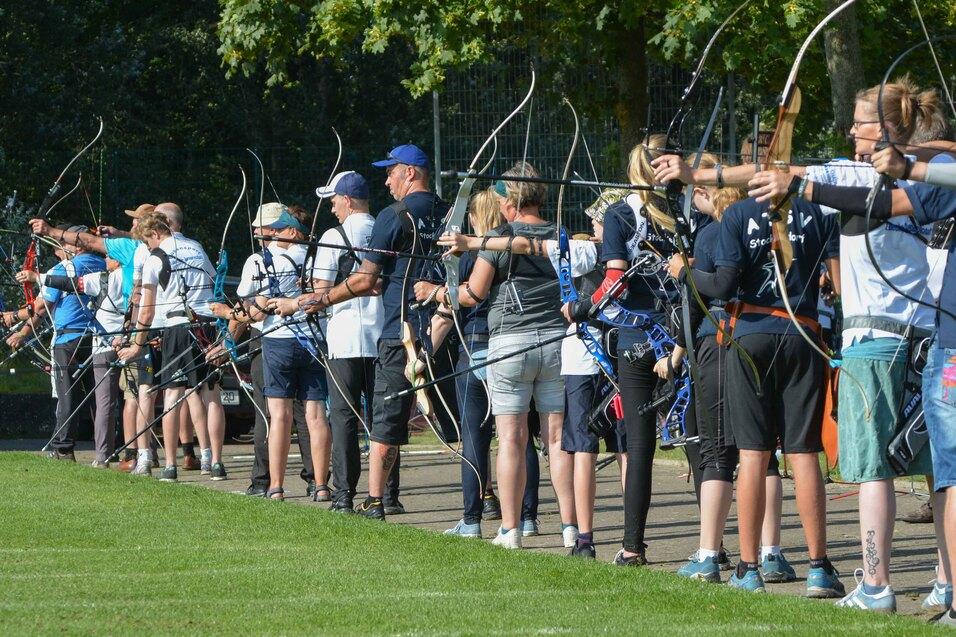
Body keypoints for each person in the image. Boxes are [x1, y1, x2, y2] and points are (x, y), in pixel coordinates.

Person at [741, 78, 952, 611]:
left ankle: (877, 584)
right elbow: (776, 174)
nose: (849, 131)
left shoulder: (898, 177)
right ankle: (946, 580)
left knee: (873, 465)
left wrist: (796, 184)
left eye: (859, 122)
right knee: (938, 468)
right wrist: (705, 173)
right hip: (928, 337)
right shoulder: (918, 179)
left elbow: (813, 181)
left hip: (876, 342)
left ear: (884, 130)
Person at [272, 143, 453, 520]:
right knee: (456, 415)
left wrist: (311, 302)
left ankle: (358, 498)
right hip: (446, 324)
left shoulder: (392, 216)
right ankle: (463, 497)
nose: (386, 180)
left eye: (391, 172)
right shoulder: (450, 212)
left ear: (409, 172)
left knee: (366, 416)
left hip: (391, 332)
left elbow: (364, 280)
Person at [664, 153, 792, 583]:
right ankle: (771, 550)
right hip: (771, 334)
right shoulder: (769, 225)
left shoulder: (714, 232)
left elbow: (710, 291)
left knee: (717, 448)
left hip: (721, 338)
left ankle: (708, 552)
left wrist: (684, 272)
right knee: (763, 451)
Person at [438, 161, 566, 549]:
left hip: (510, 343)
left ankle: (510, 530)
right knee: (556, 439)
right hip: (557, 343)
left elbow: (473, 294)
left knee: (511, 437)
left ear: (511, 200)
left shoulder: (498, 236)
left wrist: (439, 293)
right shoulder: (559, 233)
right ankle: (571, 528)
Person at [209, 202, 315, 497]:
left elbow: (249, 312)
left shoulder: (261, 261)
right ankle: (316, 481)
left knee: (269, 415)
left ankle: (263, 481)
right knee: (309, 413)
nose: (257, 231)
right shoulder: (312, 256)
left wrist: (226, 321)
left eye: (266, 227)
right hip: (309, 341)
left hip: (271, 341)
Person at [117, 208, 226, 482]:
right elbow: (215, 283)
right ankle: (215, 462)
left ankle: (169, 466)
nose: (147, 247)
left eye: (147, 241)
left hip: (178, 328)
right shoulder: (196, 247)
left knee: (172, 397)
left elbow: (146, 310)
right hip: (208, 325)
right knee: (210, 395)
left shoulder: (156, 258)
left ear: (155, 233)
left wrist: (136, 344)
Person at [248, 205, 329, 500]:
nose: (271, 235)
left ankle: (276, 486)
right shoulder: (319, 256)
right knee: (316, 414)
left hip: (279, 340)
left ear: (294, 231)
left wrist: (248, 309)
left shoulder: (260, 259)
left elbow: (255, 310)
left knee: (279, 416)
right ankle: (320, 486)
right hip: (314, 340)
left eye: (278, 230)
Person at [4, 225, 105, 461]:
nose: (60, 245)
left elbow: (39, 308)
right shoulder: (104, 264)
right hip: (100, 340)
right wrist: (24, 331)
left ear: (79, 244)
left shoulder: (64, 268)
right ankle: (107, 447)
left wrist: (15, 321)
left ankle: (63, 448)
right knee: (99, 394)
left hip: (68, 340)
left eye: (65, 240)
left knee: (67, 394)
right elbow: (42, 310)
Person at [312, 172, 382, 512]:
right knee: (385, 418)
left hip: (344, 340)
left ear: (348, 200)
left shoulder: (332, 236)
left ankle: (344, 497)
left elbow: (318, 292)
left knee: (343, 418)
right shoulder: (386, 228)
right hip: (385, 336)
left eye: (334, 200)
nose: (332, 207)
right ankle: (388, 495)